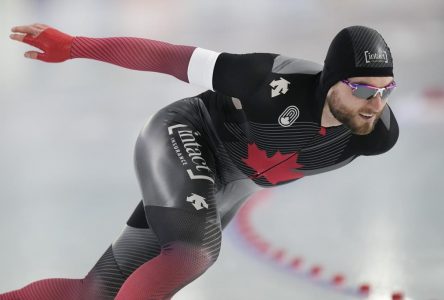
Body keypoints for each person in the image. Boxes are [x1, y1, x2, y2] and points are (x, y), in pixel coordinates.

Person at [2, 23, 399, 300]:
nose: (375, 104)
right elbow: (170, 58)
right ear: (331, 80)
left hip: (231, 184)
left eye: (386, 90)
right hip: (188, 132)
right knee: (194, 251)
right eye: (362, 88)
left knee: (95, 293)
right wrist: (74, 46)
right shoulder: (269, 80)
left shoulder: (377, 136)